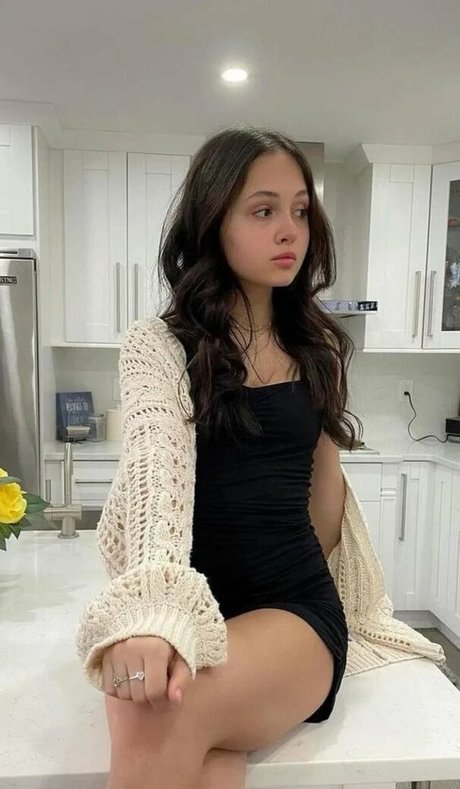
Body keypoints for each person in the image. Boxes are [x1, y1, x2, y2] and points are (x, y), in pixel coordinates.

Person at [76, 126, 445, 789]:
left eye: (300, 210)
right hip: (187, 607)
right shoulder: (158, 346)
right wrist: (153, 614)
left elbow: (324, 503)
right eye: (263, 209)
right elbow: (158, 478)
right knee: (197, 748)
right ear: (213, 220)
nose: (289, 231)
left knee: (152, 710)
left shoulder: (316, 351)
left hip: (292, 613)